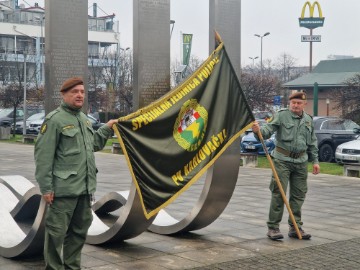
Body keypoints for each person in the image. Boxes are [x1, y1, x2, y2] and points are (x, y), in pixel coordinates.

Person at [34, 77, 118, 269]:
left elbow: (94, 144)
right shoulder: (54, 120)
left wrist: (107, 127)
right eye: (75, 92)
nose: (80, 95)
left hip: (84, 189)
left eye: (82, 91)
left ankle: (72, 267)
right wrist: (46, 188)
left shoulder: (84, 120)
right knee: (56, 234)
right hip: (63, 191)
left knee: (79, 233)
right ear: (64, 95)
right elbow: (43, 157)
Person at [252, 92, 320, 241]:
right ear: (290, 103)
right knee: (279, 192)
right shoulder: (281, 115)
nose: (295, 105)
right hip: (282, 160)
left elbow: (312, 142)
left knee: (299, 195)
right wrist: (258, 131)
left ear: (304, 104)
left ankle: (296, 227)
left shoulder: (308, 119)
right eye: (293, 102)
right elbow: (268, 131)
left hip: (301, 162)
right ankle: (273, 227)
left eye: (298, 103)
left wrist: (315, 161)